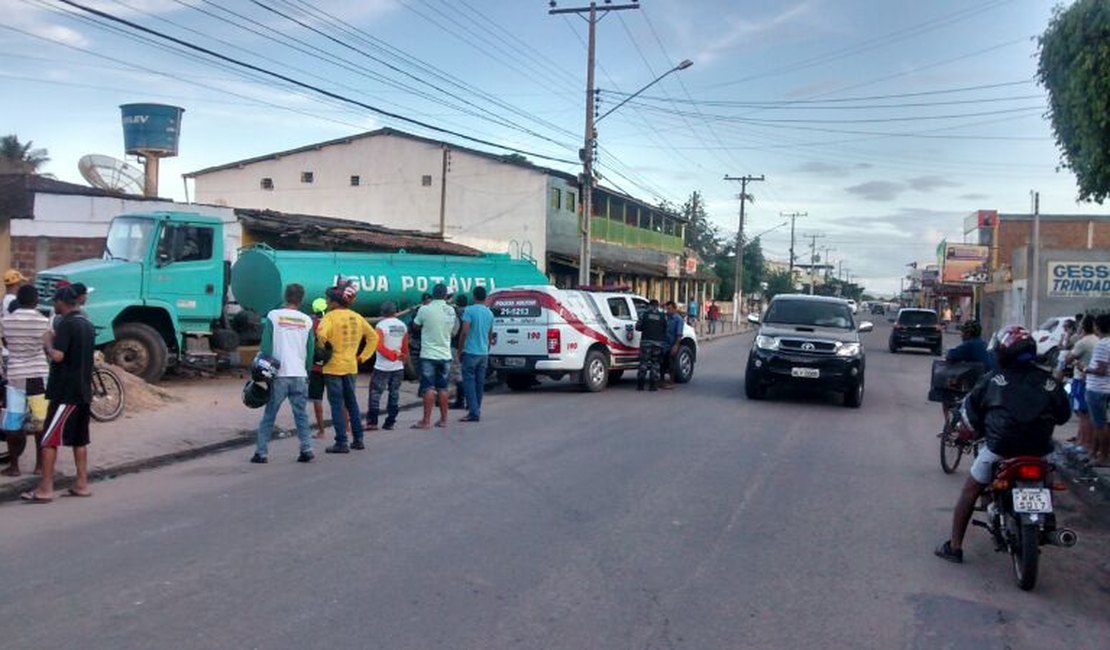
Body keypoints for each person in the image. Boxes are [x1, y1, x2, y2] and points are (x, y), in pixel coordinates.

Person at [934, 325, 1070, 563]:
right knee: (1048, 481)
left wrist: (970, 432)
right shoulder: (1048, 382)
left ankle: (954, 547)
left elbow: (970, 416)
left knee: (970, 491)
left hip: (1000, 449)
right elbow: (1064, 415)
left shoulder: (991, 381)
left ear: (1003, 353)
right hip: (1040, 451)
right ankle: (1047, 522)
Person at [22, 286, 96, 503]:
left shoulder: (66, 324)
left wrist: (47, 341)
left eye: (55, 301)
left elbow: (58, 356)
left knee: (49, 439)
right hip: (82, 390)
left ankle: (45, 488)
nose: (54, 305)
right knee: (79, 439)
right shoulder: (87, 324)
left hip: (65, 393)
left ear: (63, 302)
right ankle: (81, 483)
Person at [251, 284, 316, 464]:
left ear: (285, 297)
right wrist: (307, 371)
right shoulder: (307, 321)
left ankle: (261, 452)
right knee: (301, 414)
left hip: (279, 375)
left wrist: (262, 372)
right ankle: (306, 448)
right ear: (301, 299)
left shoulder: (274, 316)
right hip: (299, 375)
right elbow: (310, 350)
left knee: (270, 414)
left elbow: (266, 347)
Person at [316, 282, 378, 453]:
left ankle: (341, 442)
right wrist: (362, 357)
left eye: (328, 300)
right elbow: (373, 337)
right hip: (351, 366)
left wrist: (324, 348)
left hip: (333, 368)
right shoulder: (357, 317)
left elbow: (321, 335)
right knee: (352, 404)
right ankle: (358, 439)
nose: (327, 302)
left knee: (337, 405)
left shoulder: (329, 317)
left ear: (335, 302)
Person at [0, 285, 50, 477]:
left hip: (15, 376)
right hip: (37, 375)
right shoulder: (42, 321)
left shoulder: (6, 321)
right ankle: (39, 466)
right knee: (40, 421)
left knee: (13, 421)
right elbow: (47, 346)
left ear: (19, 300)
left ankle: (14, 466)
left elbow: (6, 343)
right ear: (35, 300)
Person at [412, 283, 458, 429]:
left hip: (429, 354)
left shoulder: (424, 309)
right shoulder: (451, 311)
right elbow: (452, 330)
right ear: (445, 295)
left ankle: (426, 421)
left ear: (432, 295)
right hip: (445, 354)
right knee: (443, 388)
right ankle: (443, 420)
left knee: (428, 388)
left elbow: (416, 326)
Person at [367, 301, 408, 431]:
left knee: (375, 393)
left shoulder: (381, 326)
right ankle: (390, 421)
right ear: (395, 311)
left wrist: (391, 356)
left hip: (382, 366)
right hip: (398, 366)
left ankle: (373, 422)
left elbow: (378, 346)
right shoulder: (403, 326)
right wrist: (401, 358)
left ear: (382, 312)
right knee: (394, 393)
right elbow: (405, 346)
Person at [459, 286, 494, 423]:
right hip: (483, 352)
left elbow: (465, 331)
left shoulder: (469, 310)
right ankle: (476, 409)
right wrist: (488, 347)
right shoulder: (489, 313)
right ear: (485, 298)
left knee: (469, 382)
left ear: (473, 297)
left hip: (470, 351)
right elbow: (490, 333)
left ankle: (473, 412)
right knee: (480, 383)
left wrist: (460, 348)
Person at [1065, 315, 1098, 453]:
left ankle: (1084, 444)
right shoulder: (1097, 341)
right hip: (1091, 380)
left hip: (1081, 379)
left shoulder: (1082, 342)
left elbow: (1068, 358)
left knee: (1082, 414)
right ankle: (1082, 441)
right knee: (1087, 414)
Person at [1083, 314, 1110, 466]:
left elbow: (1100, 370)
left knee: (1100, 424)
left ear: (1098, 327)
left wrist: (1085, 369)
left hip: (1097, 388)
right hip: (1106, 387)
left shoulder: (1102, 344)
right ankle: (1095, 453)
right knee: (1102, 423)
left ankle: (1103, 457)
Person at [308, 297, 330, 439]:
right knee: (339, 398)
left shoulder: (311, 324)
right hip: (332, 366)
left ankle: (322, 431)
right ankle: (347, 427)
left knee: (317, 399)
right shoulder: (332, 322)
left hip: (316, 367)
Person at [635, 299, 668, 391]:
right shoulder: (662, 316)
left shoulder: (644, 315)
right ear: (657, 306)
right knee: (655, 363)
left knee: (643, 362)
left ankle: (640, 384)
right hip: (658, 343)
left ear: (649, 306)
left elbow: (638, 327)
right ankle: (653, 385)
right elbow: (666, 328)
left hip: (646, 342)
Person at [449, 294, 468, 411]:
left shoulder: (457, 314)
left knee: (457, 374)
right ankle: (470, 400)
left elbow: (454, 332)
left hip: (457, 347)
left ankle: (460, 400)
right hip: (471, 348)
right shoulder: (471, 313)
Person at [660, 300, 684, 388]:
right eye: (667, 309)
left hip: (672, 344)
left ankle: (671, 381)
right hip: (664, 344)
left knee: (671, 363)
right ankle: (661, 380)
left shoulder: (678, 319)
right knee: (662, 362)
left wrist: (676, 345)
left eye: (669, 309)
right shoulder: (666, 317)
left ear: (674, 309)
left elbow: (679, 334)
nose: (667, 311)